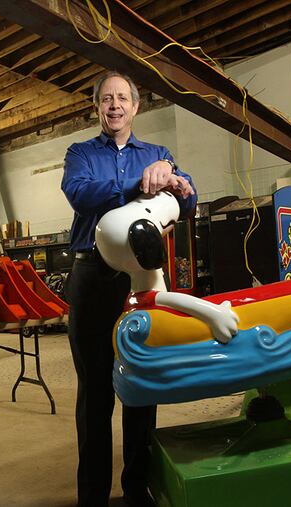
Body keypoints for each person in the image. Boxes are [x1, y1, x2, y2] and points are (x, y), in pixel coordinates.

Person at [61, 71, 197, 507]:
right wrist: (141, 180)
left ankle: (138, 489)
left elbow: (188, 201)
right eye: (106, 99)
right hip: (92, 278)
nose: (115, 105)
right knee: (96, 392)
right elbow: (80, 195)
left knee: (142, 383)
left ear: (136, 107)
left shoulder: (159, 153)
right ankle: (93, 497)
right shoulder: (80, 153)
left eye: (123, 98)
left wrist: (175, 176)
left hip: (142, 278)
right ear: (97, 107)